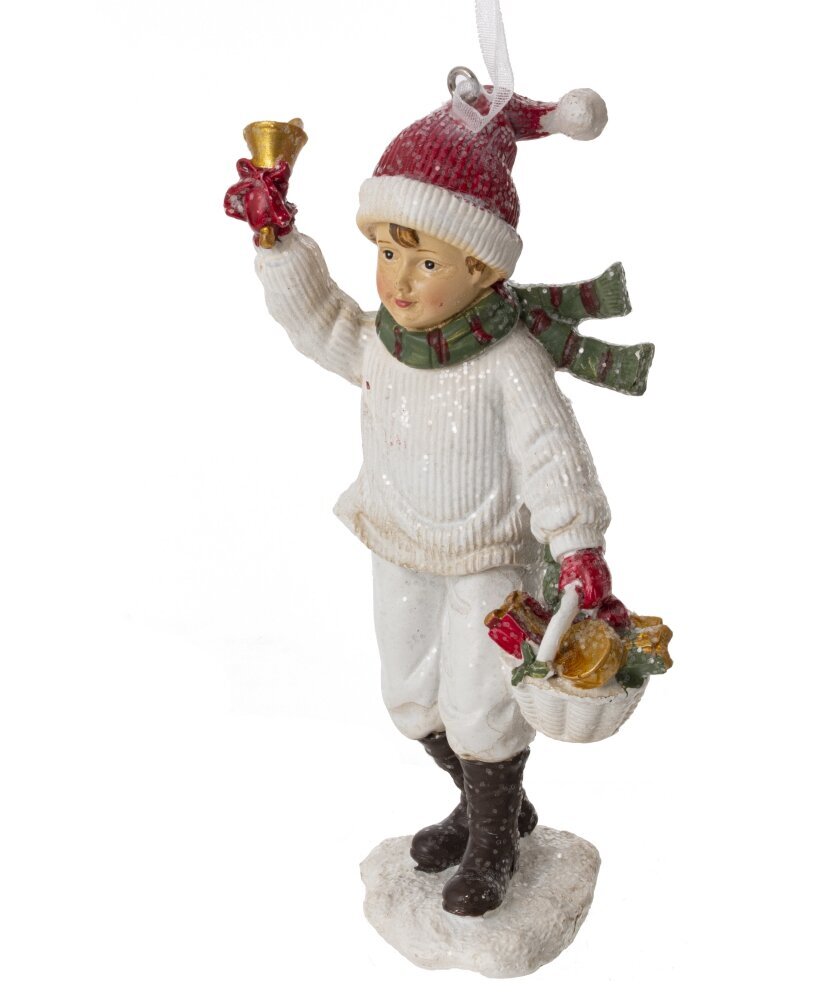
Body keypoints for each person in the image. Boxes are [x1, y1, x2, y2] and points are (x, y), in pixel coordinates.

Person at [232, 78, 649, 916]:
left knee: (481, 700)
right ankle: (487, 805)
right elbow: (319, 320)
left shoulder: (508, 361)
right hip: (398, 541)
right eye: (389, 253)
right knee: (410, 695)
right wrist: (277, 241)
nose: (399, 280)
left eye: (426, 262)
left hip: (487, 559)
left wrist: (577, 546)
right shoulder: (383, 344)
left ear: (483, 267)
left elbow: (552, 454)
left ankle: (494, 837)